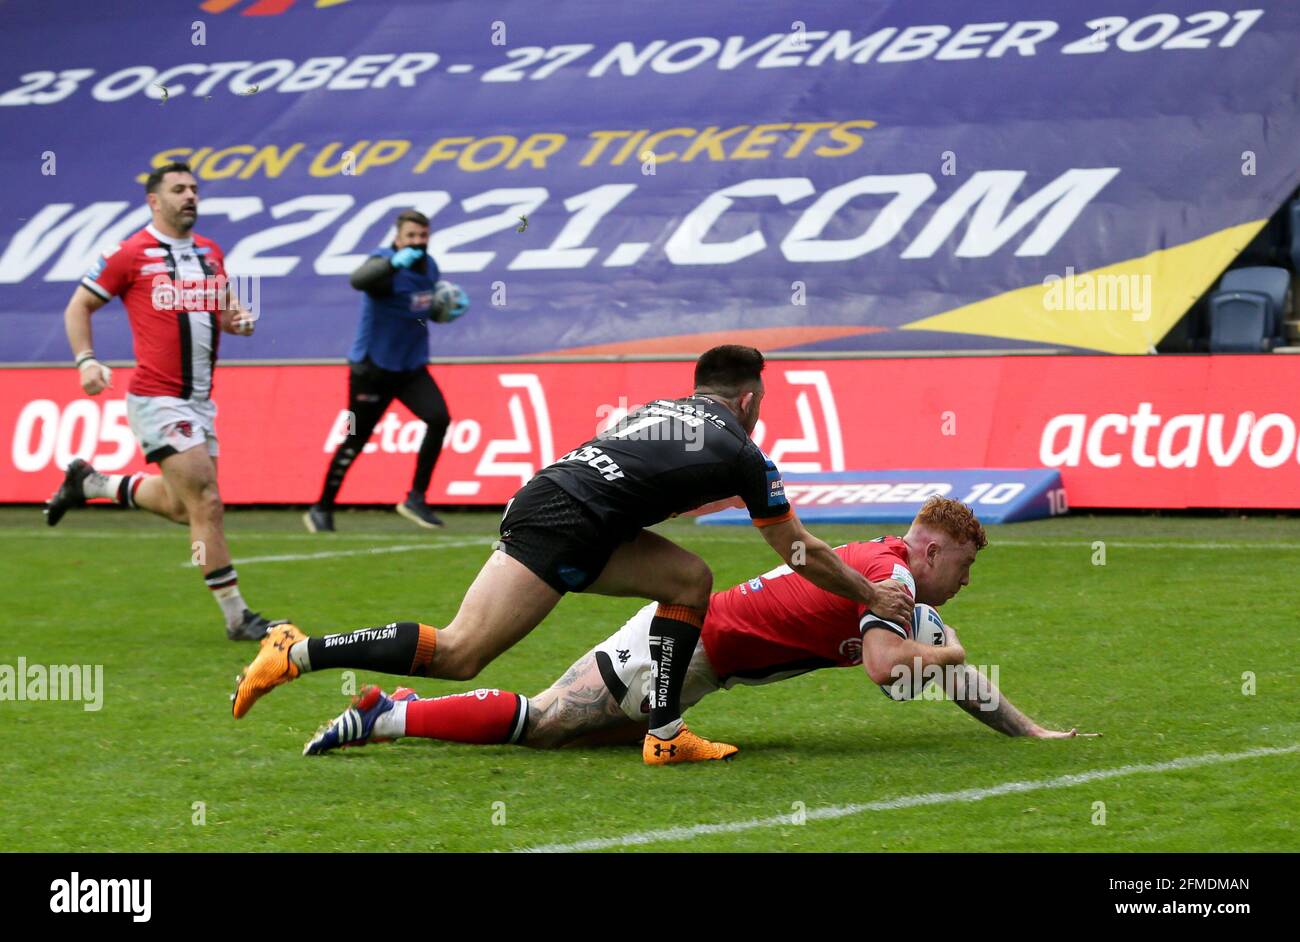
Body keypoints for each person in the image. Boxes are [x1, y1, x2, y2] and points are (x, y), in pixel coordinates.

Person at [233, 344, 915, 765]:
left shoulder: (665, 409)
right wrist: (870, 596)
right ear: (749, 398)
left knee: (688, 578)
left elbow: (641, 477)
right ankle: (296, 651)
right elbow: (800, 552)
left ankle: (666, 730)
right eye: (761, 401)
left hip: (558, 500)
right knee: (462, 652)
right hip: (568, 520)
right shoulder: (743, 450)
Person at [301, 497, 1096, 756]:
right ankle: (390, 713)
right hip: (680, 648)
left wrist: (1029, 733)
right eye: (963, 562)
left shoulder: (892, 578)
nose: (966, 577)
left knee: (579, 738)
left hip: (697, 659)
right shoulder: (890, 577)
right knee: (544, 723)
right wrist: (949, 648)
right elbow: (892, 669)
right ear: (928, 548)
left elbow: (941, 675)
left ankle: (395, 707)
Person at [43, 161, 276, 641]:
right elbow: (78, 305)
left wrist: (239, 320)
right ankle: (238, 617)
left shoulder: (210, 253)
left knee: (181, 506)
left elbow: (224, 312)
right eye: (178, 189)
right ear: (155, 200)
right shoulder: (130, 253)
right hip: (157, 398)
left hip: (200, 402)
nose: (190, 196)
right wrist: (86, 360)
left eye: (194, 188)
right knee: (207, 502)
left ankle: (92, 483)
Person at [302, 209, 468, 533]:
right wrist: (393, 262)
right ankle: (321, 508)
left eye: (423, 236)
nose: (418, 242)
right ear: (398, 237)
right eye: (411, 236)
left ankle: (415, 498)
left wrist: (442, 310)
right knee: (356, 439)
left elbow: (417, 307)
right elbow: (358, 280)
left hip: (410, 367)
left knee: (438, 419)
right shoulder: (384, 265)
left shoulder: (429, 266)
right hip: (374, 367)